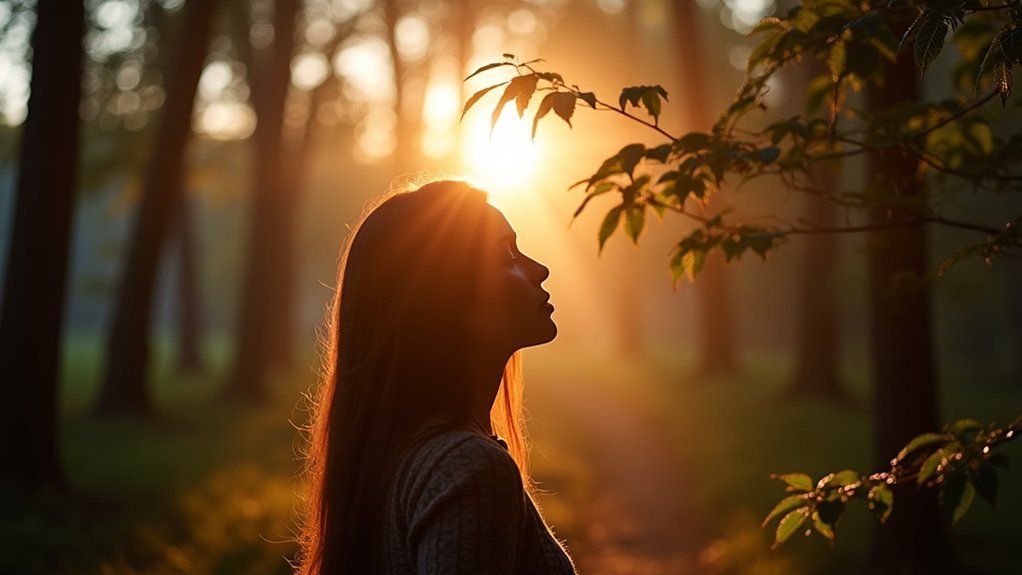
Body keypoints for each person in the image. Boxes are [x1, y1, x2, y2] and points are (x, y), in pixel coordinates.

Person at [296, 180, 576, 574]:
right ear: (442, 297)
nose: (539, 269)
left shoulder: (393, 456)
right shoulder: (468, 466)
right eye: (506, 256)